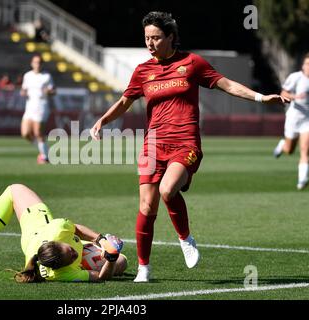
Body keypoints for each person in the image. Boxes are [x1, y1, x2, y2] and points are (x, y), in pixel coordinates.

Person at [90, 11, 288, 283]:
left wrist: (260, 97)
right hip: (152, 145)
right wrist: (103, 119)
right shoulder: (143, 71)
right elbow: (125, 101)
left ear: (171, 37)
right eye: (147, 38)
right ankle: (144, 267)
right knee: (147, 207)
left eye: (156, 37)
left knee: (168, 189)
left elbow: (225, 84)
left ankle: (185, 238)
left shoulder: (192, 63)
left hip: (185, 142)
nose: (150, 43)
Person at [0, 184, 127, 283]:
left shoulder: (58, 229)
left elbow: (76, 229)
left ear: (60, 242)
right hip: (35, 238)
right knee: (122, 261)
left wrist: (100, 239)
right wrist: (110, 258)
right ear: (62, 266)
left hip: (34, 226)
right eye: (73, 254)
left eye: (71, 250)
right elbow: (101, 278)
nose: (74, 251)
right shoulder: (58, 273)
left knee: (15, 189)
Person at [273, 52, 309, 190]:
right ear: (303, 66)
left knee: (305, 150)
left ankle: (302, 180)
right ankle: (282, 144)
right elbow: (283, 94)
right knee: (289, 150)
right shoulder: (295, 77)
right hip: (294, 118)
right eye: (308, 64)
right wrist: (295, 96)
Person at [20, 54, 55, 164]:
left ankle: (45, 157)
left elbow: (53, 91)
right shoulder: (27, 76)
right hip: (29, 106)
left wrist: (49, 91)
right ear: (32, 63)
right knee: (25, 133)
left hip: (41, 106)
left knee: (38, 132)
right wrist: (23, 92)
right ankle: (44, 150)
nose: (37, 64)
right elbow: (23, 89)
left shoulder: (46, 76)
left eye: (39, 62)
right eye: (35, 62)